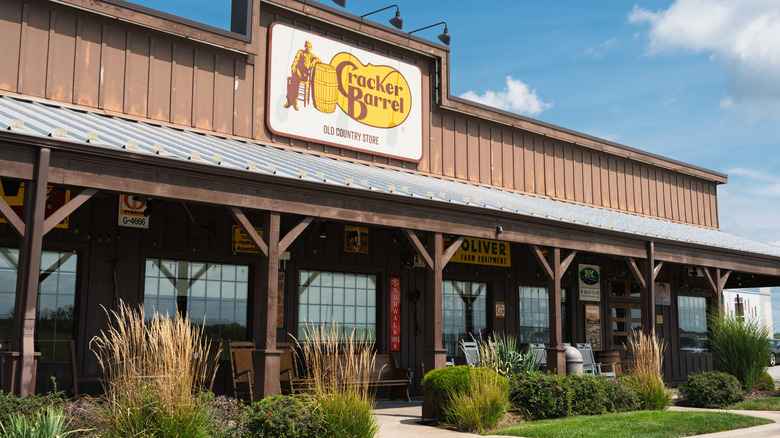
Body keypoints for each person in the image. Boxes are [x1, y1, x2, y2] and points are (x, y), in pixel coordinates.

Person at [285, 40, 320, 110]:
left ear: (311, 47)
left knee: (294, 80)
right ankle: (292, 100)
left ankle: (291, 100)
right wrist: (293, 67)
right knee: (296, 78)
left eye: (310, 47)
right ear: (305, 46)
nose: (308, 48)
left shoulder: (311, 55)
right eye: (307, 46)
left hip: (304, 75)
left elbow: (318, 59)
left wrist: (312, 63)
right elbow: (295, 60)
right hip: (297, 72)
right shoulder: (300, 52)